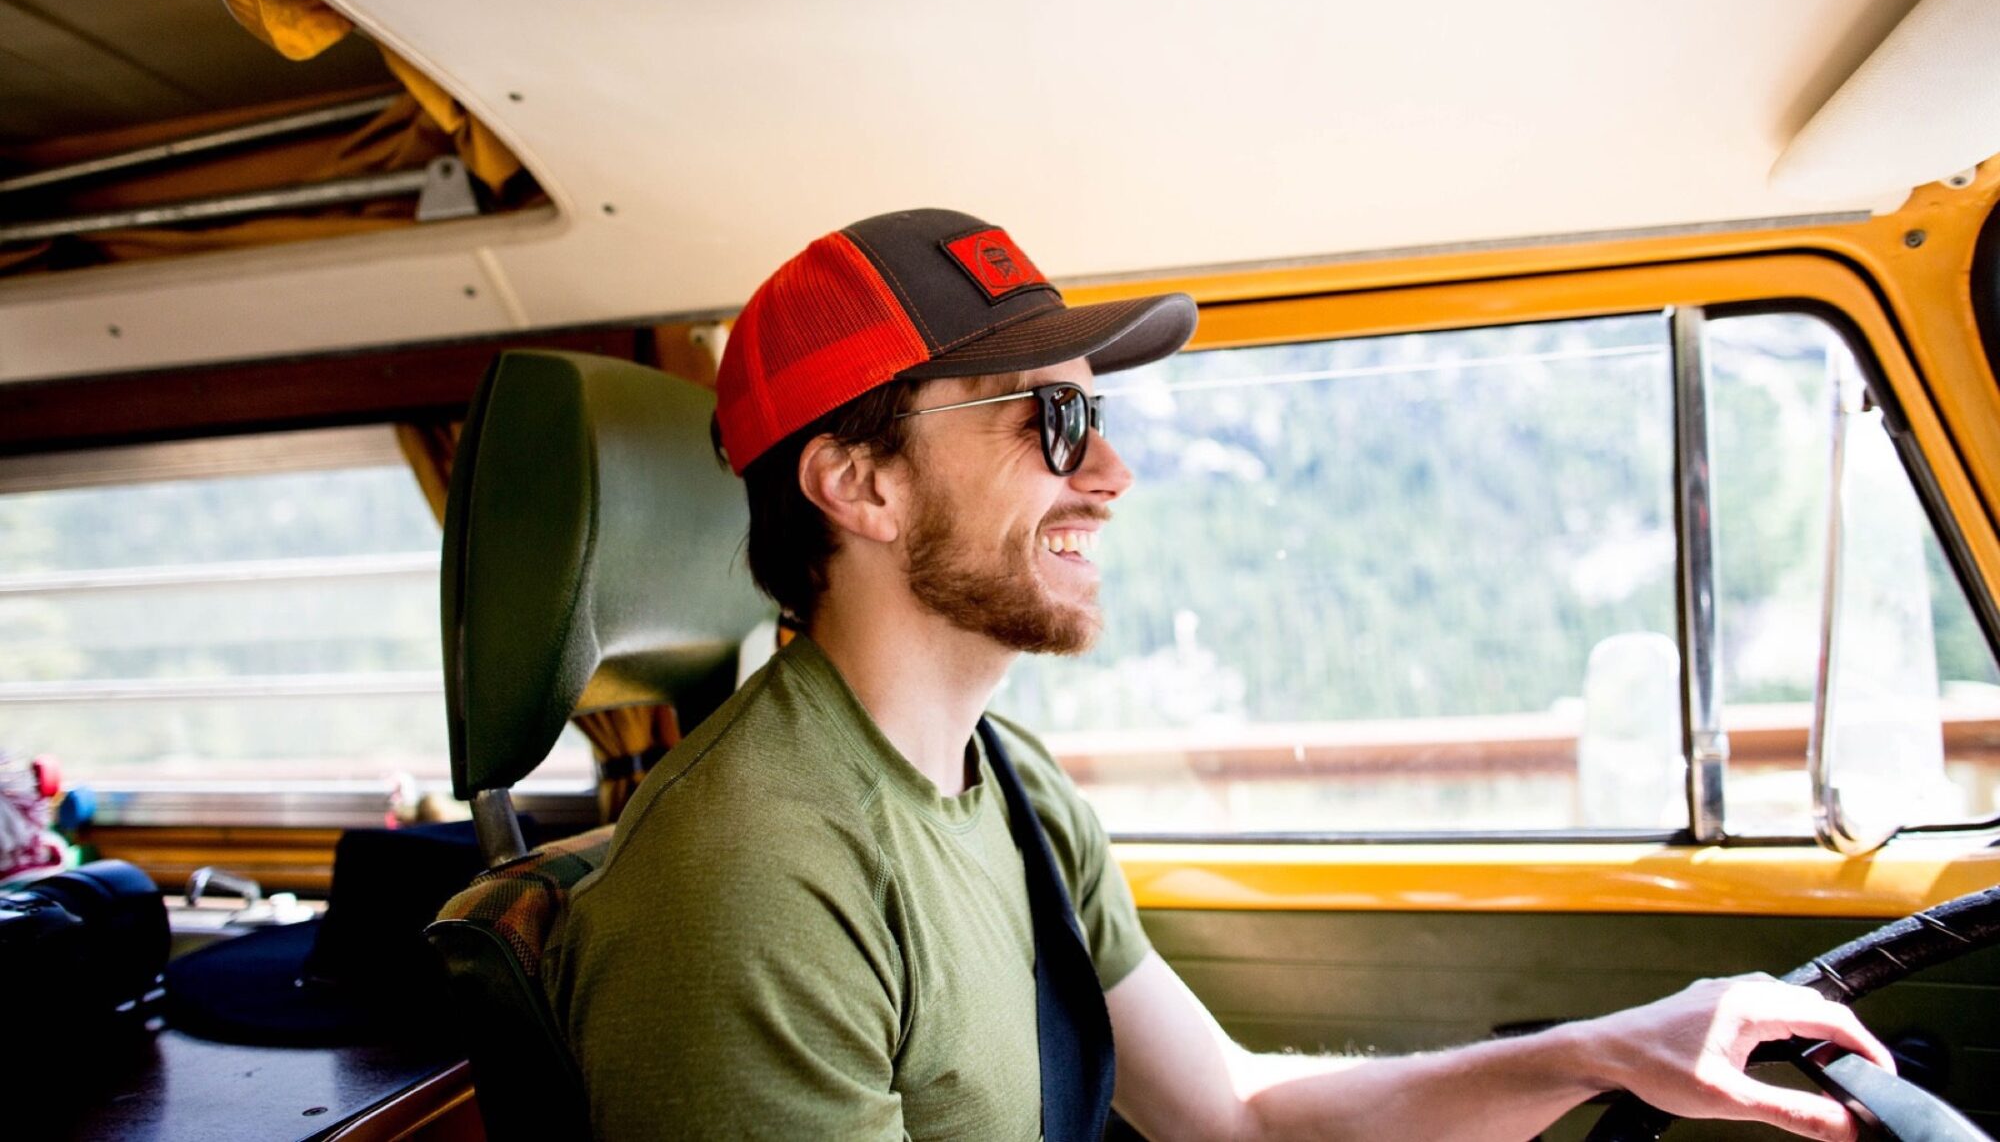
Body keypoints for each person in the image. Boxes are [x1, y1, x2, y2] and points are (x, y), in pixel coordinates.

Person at [543, 208, 1892, 1141]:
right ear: (861, 482)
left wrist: (1605, 1047)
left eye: (1100, 417)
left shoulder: (1008, 790)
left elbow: (1233, 1113)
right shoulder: (750, 876)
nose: (1112, 475)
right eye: (1053, 420)